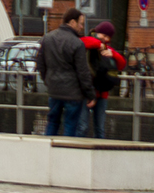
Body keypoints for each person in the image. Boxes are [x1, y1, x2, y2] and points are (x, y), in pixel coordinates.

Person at [39, 7, 92, 136]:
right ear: (72, 22)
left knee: (52, 122)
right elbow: (83, 72)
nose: (81, 27)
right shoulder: (77, 43)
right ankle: (66, 154)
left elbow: (41, 63)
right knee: (70, 125)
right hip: (72, 93)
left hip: (54, 90)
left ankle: (48, 152)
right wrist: (90, 94)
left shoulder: (47, 38)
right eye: (80, 23)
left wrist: (48, 80)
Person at [84, 21, 125, 139]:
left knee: (100, 128)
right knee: (83, 126)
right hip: (87, 92)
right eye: (104, 35)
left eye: (108, 37)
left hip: (102, 94)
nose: (106, 39)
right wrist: (99, 45)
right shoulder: (91, 42)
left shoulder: (108, 49)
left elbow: (122, 64)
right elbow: (85, 42)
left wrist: (113, 54)